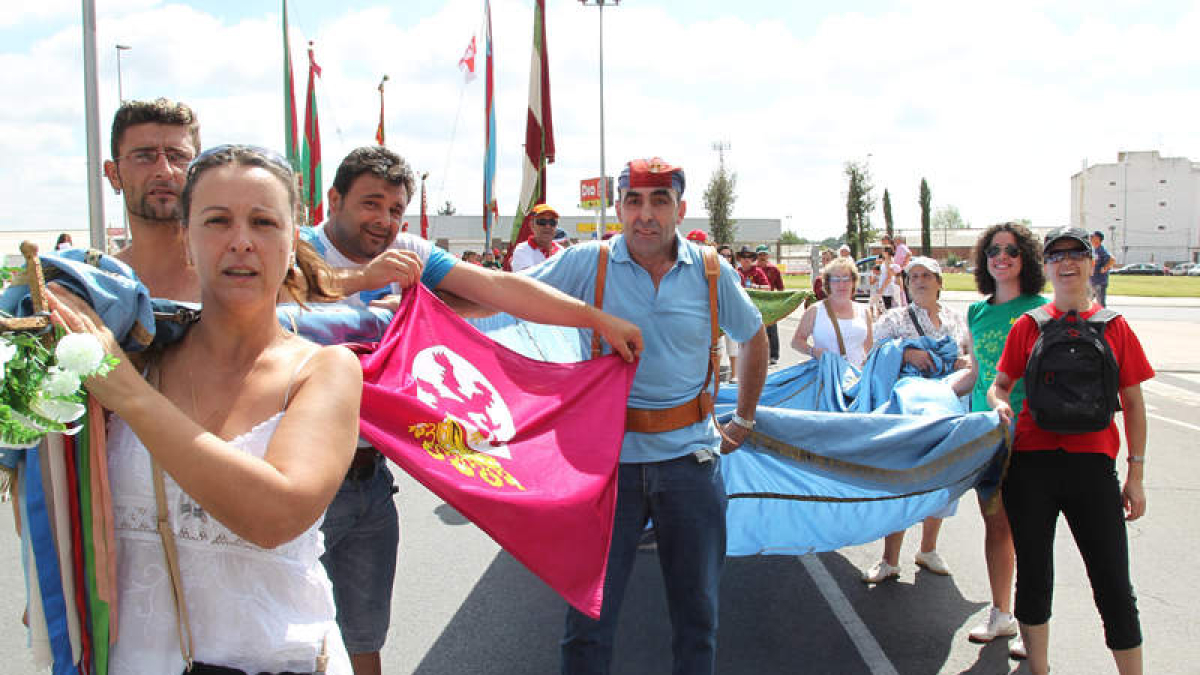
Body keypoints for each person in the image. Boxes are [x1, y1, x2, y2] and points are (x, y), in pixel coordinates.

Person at [305, 146, 641, 675]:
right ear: (334, 200)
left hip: (369, 480)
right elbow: (254, 300)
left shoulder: (410, 251)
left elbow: (497, 288)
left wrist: (594, 319)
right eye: (371, 204)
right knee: (290, 638)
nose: (385, 221)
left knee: (364, 634)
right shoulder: (294, 249)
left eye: (395, 209)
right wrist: (358, 282)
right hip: (298, 475)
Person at [49, 144, 361, 674]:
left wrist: (126, 393)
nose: (241, 242)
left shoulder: (323, 370)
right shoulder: (134, 353)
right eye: (217, 221)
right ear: (187, 242)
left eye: (263, 222)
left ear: (292, 243)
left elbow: (276, 514)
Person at [523, 156, 767, 675]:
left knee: (697, 617)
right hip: (608, 466)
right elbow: (509, 300)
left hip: (690, 460)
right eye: (633, 201)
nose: (645, 215)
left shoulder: (709, 269)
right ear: (617, 207)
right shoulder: (590, 262)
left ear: (680, 208)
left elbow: (753, 335)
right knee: (588, 621)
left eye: (659, 201)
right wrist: (416, 297)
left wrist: (743, 419)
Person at [988, 226, 1150, 675]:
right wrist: (999, 404)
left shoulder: (1115, 327)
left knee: (1114, 585)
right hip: (1031, 467)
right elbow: (1000, 385)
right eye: (1056, 256)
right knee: (1036, 577)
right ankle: (1040, 669)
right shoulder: (1029, 326)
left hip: (1093, 469)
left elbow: (1134, 403)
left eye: (1076, 254)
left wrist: (1135, 473)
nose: (1066, 263)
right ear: (1048, 267)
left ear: (1091, 262)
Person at [861, 256, 977, 582]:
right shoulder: (894, 318)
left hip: (948, 406)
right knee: (902, 479)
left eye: (927, 275)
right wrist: (905, 353)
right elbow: (873, 355)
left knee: (941, 476)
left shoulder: (956, 320)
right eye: (914, 276)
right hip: (907, 410)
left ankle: (928, 549)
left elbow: (969, 355)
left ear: (940, 282)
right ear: (906, 284)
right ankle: (889, 559)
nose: (920, 281)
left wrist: (961, 360)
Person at [965, 221, 1047, 657]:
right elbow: (977, 375)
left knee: (1030, 530)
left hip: (1031, 435)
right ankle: (1001, 613)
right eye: (994, 250)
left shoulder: (1043, 309)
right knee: (996, 525)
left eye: (1011, 251)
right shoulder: (977, 313)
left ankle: (1033, 624)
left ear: (1025, 259)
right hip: (985, 436)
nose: (1001, 257)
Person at [103, 98, 203, 302]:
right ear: (114, 174)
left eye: (177, 156)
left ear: (199, 171)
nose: (164, 171)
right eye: (144, 157)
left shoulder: (234, 283)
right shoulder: (94, 288)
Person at [791, 256, 873, 368]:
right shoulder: (815, 310)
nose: (841, 284)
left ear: (853, 282)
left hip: (857, 378)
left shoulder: (864, 311)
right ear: (828, 283)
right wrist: (813, 351)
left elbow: (869, 349)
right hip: (826, 376)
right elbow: (796, 341)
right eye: (836, 279)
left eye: (846, 279)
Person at [511, 203, 564, 271]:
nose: (547, 226)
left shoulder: (561, 251)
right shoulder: (522, 250)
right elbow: (528, 279)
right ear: (532, 225)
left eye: (552, 222)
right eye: (542, 222)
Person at [756, 245, 785, 365]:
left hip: (770, 303)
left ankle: (773, 355)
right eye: (760, 254)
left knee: (772, 330)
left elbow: (781, 288)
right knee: (756, 330)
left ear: (768, 255)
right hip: (755, 303)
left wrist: (781, 304)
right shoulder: (752, 269)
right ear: (757, 256)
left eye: (764, 254)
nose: (763, 257)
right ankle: (757, 354)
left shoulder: (774, 270)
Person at [1090, 230, 1115, 307]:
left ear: (1098, 238)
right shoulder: (1095, 250)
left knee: (1100, 304)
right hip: (1093, 282)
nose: (1090, 238)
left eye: (1092, 236)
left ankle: (1104, 318)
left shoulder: (1101, 250)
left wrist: (1105, 268)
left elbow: (1112, 259)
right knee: (1086, 302)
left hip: (1099, 282)